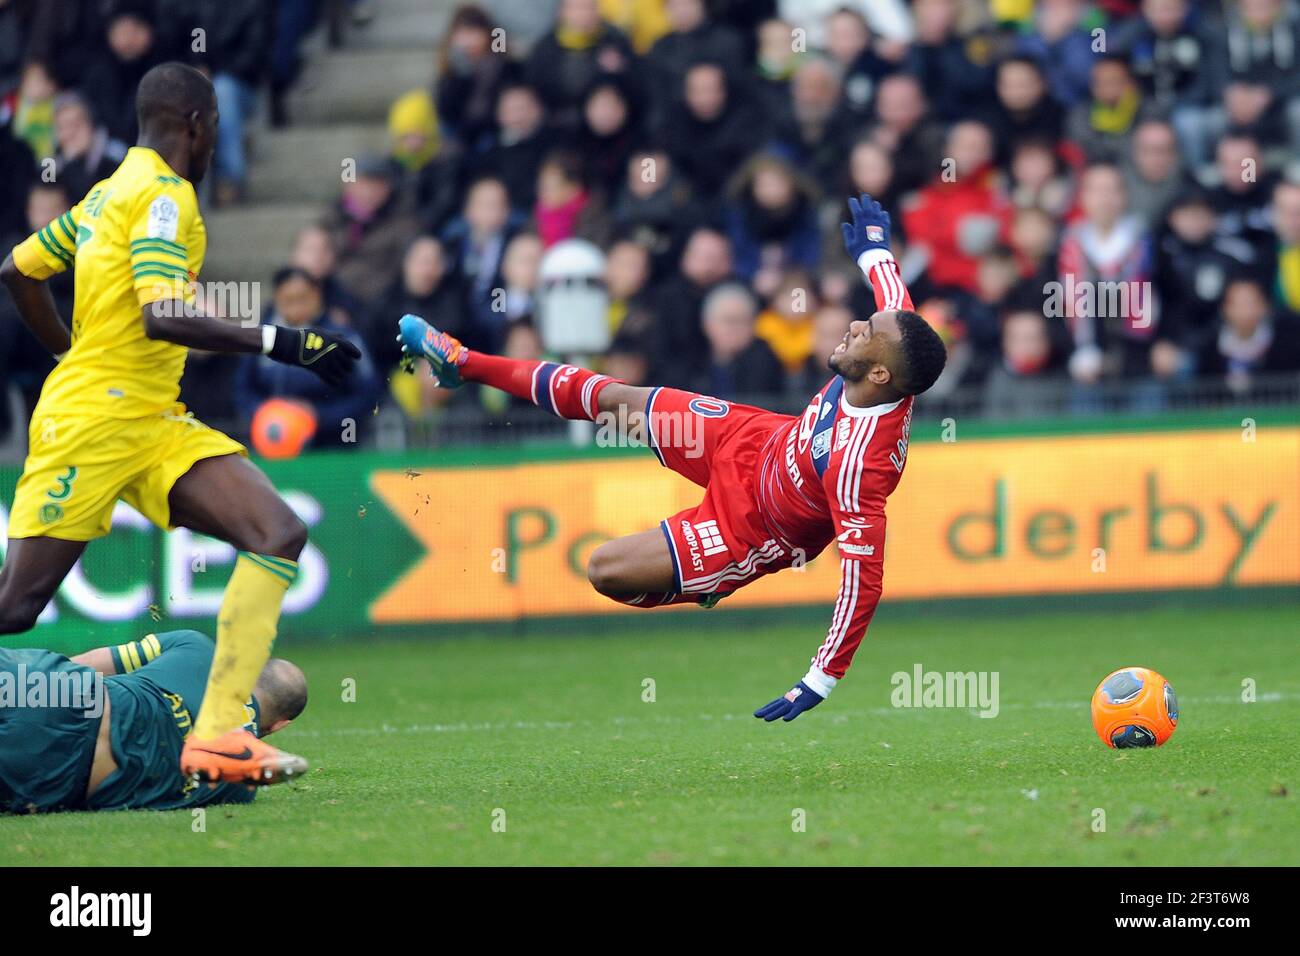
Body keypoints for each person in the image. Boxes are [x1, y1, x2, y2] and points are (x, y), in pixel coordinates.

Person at [398, 194, 947, 722]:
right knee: (618, 401)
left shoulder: (859, 467)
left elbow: (863, 577)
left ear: (879, 375)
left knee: (604, 570)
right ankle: (462, 360)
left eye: (866, 332)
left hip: (750, 528)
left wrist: (821, 677)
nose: (855, 324)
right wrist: (876, 251)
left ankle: (701, 583)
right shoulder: (892, 359)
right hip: (750, 440)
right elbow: (895, 303)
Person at [0, 62, 361, 785]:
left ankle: (219, 736)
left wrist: (69, 347)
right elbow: (163, 314)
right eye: (214, 128)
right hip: (95, 424)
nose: (214, 142)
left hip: (154, 419)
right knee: (16, 607)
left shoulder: (105, 195)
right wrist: (285, 342)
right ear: (194, 126)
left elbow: (19, 270)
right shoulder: (165, 197)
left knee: (278, 532)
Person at [0, 630, 307, 813]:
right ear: (280, 725)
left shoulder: (197, 647)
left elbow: (91, 663)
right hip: (54, 775)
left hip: (66, 691)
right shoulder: (238, 789)